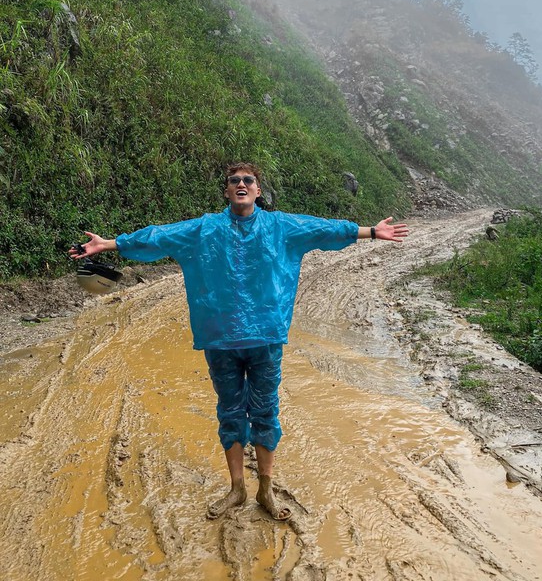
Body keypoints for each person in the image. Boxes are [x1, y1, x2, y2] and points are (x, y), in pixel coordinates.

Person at [69, 162, 409, 521]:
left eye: (249, 180)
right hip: (220, 339)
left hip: (265, 337)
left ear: (258, 191)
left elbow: (323, 228)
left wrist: (371, 231)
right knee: (230, 412)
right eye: (235, 181)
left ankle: (265, 489)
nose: (242, 184)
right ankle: (236, 488)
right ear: (227, 191)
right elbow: (159, 236)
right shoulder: (204, 229)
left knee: (265, 412)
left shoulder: (281, 226)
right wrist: (108, 244)